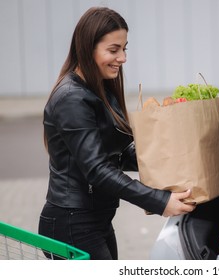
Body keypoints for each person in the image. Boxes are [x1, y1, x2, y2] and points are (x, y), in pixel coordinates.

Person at [38, 6, 195, 260]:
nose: (122, 58)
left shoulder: (98, 88)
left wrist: (173, 156)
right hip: (71, 224)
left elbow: (116, 154)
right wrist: (159, 200)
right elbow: (97, 169)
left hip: (93, 220)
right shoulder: (72, 98)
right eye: (113, 50)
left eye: (124, 48)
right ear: (87, 48)